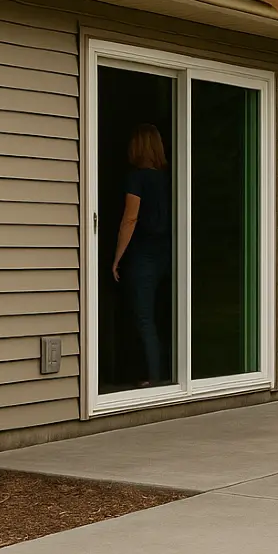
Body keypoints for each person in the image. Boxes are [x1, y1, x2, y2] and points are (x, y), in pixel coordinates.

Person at [112, 124, 173, 387]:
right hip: (168, 254)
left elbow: (130, 218)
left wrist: (116, 258)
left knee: (143, 318)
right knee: (162, 314)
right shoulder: (169, 178)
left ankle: (153, 379)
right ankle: (165, 373)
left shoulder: (136, 178)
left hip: (144, 257)